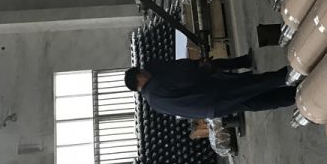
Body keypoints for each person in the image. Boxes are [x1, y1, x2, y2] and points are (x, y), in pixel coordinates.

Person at [123, 54, 296, 119]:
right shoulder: (156, 84)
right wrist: (201, 67)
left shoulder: (153, 103)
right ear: (139, 76)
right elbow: (186, 77)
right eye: (143, 71)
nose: (147, 71)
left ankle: (295, 95)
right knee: (255, 85)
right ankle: (296, 72)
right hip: (214, 93)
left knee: (253, 102)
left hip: (210, 109)